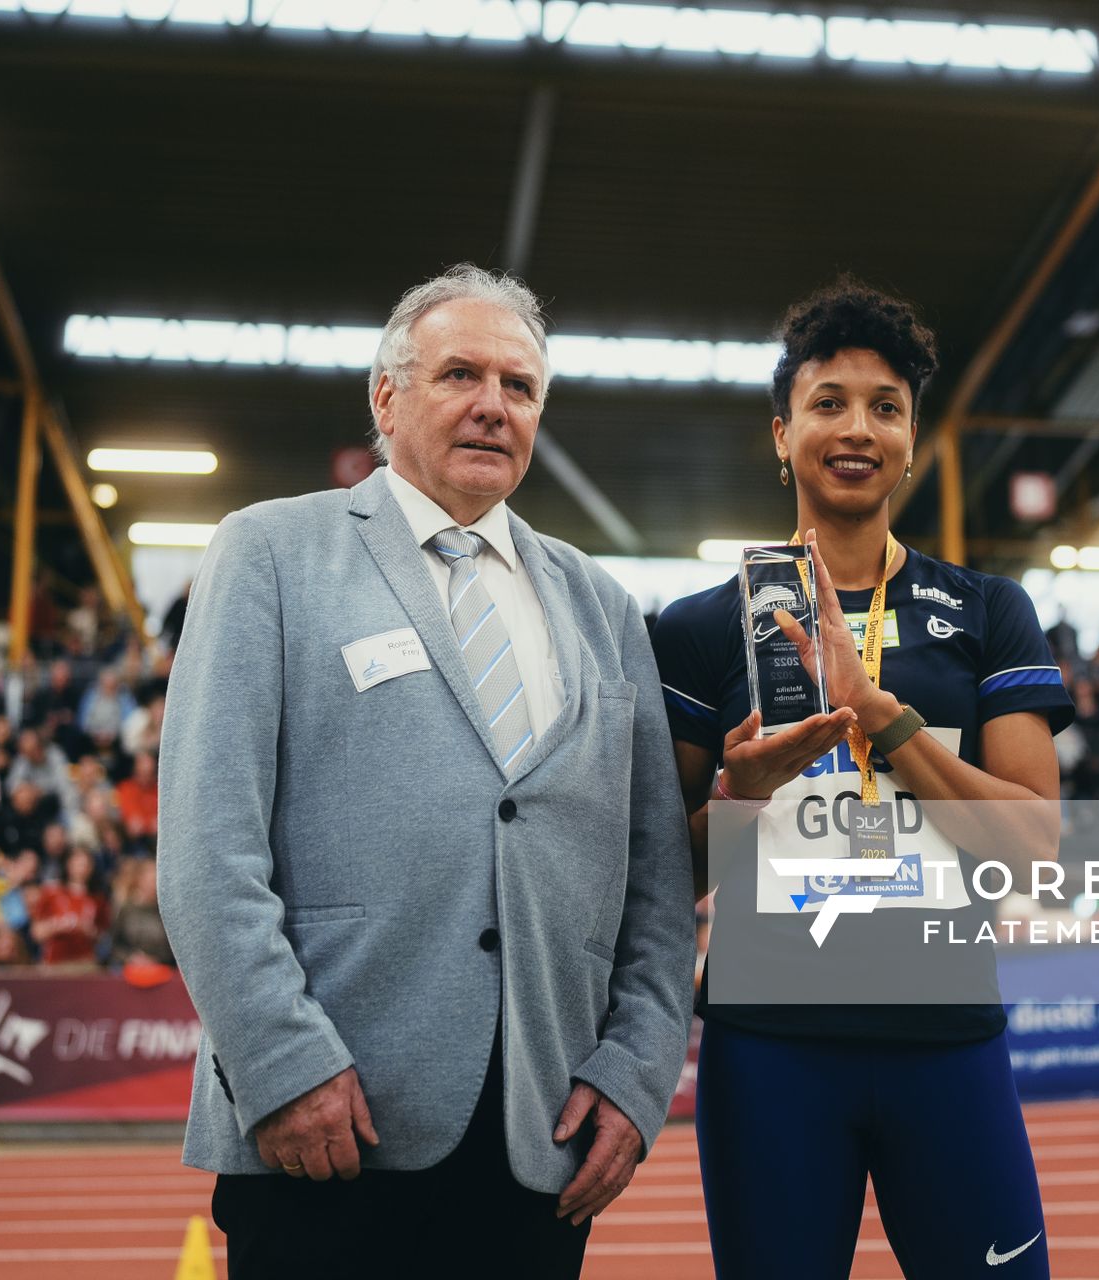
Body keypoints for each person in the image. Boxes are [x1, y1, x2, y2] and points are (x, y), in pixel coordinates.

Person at [158, 264, 696, 1279]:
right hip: (328, 1128)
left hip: (541, 1135)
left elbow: (658, 884)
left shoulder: (605, 606)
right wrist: (281, 1065)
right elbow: (205, 846)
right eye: (460, 374)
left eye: (520, 386)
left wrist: (636, 1074)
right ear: (386, 396)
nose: (493, 405)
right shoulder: (270, 551)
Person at [652, 281, 1071, 1279]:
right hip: (769, 1047)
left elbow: (1036, 846)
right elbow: (662, 873)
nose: (856, 427)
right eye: (828, 401)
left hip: (948, 1038)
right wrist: (743, 799)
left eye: (885, 406)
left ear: (913, 438)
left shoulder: (986, 610)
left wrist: (890, 727)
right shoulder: (700, 626)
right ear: (781, 432)